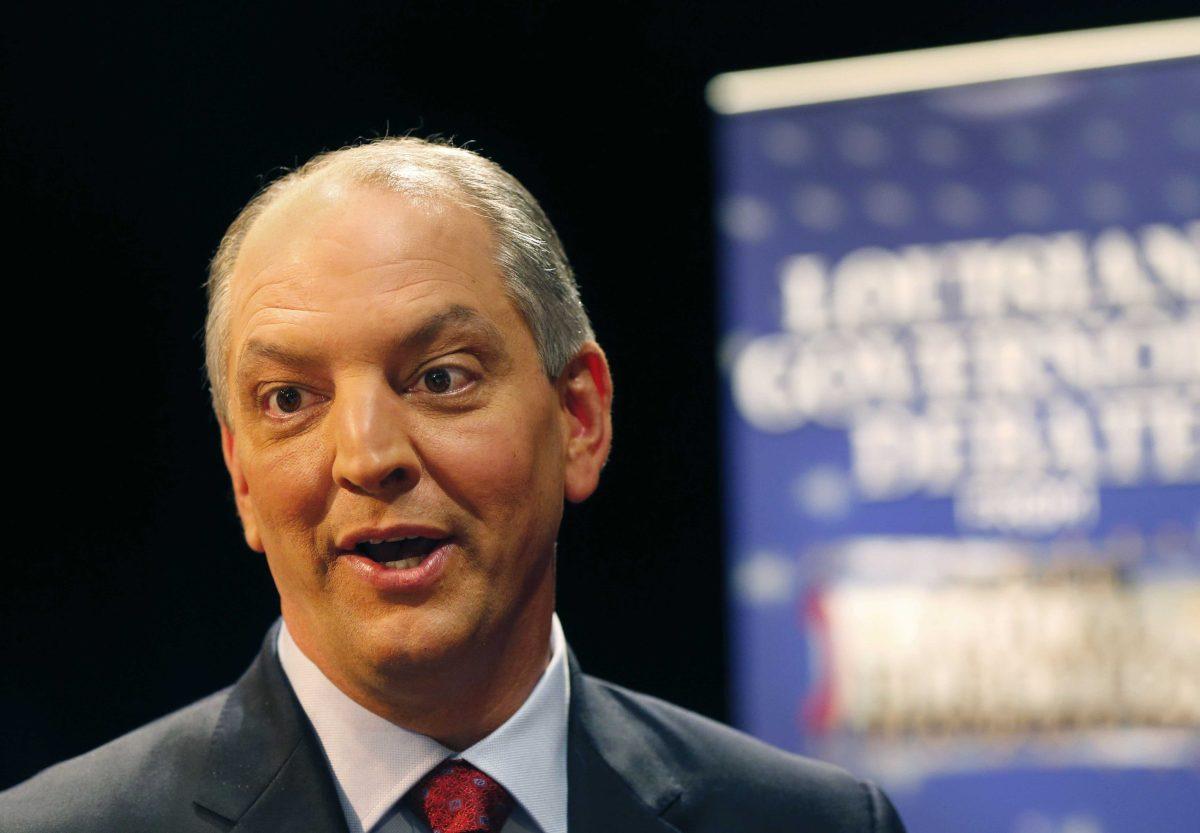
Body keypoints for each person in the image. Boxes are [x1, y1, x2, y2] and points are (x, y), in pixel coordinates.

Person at [1, 137, 906, 833]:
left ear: (579, 420)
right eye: (289, 398)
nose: (366, 456)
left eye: (439, 376)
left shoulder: (812, 821)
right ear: (241, 475)